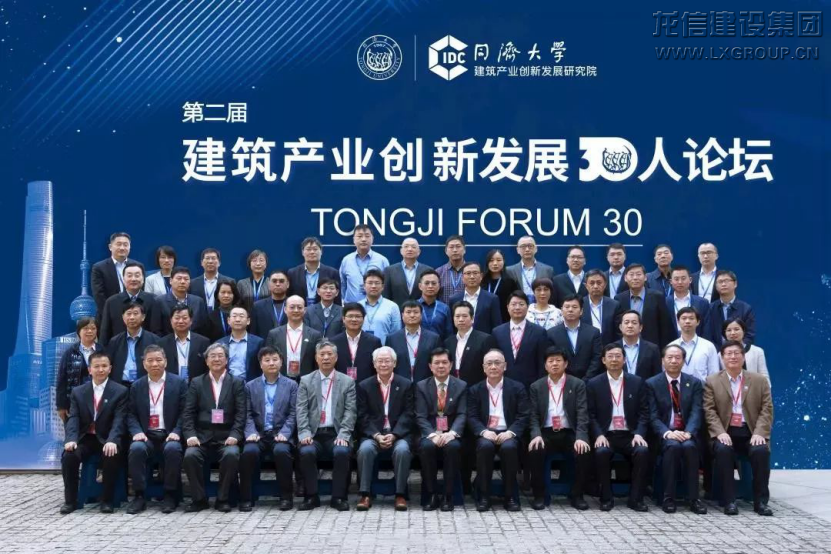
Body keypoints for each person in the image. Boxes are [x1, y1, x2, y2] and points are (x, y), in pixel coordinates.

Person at [704, 340, 774, 516]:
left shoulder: (759, 380)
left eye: (737, 353)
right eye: (728, 353)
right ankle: (729, 501)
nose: (733, 357)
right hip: (725, 432)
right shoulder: (712, 381)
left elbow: (767, 409)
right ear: (722, 358)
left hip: (750, 431)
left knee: (761, 451)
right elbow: (709, 410)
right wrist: (720, 432)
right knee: (723, 450)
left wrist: (759, 433)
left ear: (743, 357)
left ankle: (761, 502)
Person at [60, 352, 128, 514]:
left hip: (107, 437)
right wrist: (71, 439)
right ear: (90, 370)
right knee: (69, 456)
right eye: (96, 366)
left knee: (111, 454)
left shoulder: (120, 391)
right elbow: (73, 418)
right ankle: (70, 501)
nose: (100, 370)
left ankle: (107, 500)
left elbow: (119, 420)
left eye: (104, 366)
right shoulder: (78, 392)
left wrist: (113, 440)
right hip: (86, 438)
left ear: (110, 368)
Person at [182, 343, 246, 513]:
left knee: (231, 454)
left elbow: (241, 413)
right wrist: (190, 435)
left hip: (227, 437)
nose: (216, 359)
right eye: (212, 356)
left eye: (220, 356)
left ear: (227, 360)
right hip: (201, 437)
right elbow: (188, 413)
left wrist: (235, 435)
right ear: (206, 361)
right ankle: (199, 499)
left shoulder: (237, 383)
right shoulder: (196, 383)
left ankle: (222, 498)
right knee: (190, 455)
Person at [587, 344, 651, 512]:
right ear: (603, 360)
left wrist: (639, 433)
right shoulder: (594, 384)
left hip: (630, 434)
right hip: (606, 435)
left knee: (642, 451)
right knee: (601, 452)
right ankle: (606, 498)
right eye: (610, 356)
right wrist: (599, 435)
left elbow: (644, 412)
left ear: (624, 360)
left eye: (618, 356)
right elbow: (590, 414)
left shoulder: (637, 382)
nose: (614, 360)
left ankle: (636, 499)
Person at [125, 345, 188, 514]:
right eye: (150, 360)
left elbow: (185, 412)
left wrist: (176, 431)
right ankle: (139, 495)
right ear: (144, 364)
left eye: (159, 360)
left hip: (169, 434)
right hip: (146, 435)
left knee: (173, 449)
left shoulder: (179, 383)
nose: (155, 364)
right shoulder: (137, 386)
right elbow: (130, 414)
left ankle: (170, 495)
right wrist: (137, 432)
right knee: (136, 449)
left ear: (165, 362)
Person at [295, 340, 357, 511]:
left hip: (336, 433)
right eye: (322, 354)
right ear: (316, 358)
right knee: (306, 451)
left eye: (330, 354)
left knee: (342, 451)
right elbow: (301, 410)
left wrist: (344, 434)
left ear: (336, 358)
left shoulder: (347, 381)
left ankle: (338, 497)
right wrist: (304, 433)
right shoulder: (306, 381)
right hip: (313, 434)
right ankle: (311, 496)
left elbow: (350, 412)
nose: (326, 358)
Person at [645, 345, 708, 515]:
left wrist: (689, 432)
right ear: (662, 360)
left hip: (687, 433)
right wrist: (667, 433)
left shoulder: (694, 383)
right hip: (664, 434)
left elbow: (697, 411)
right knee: (672, 446)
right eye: (670, 357)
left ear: (683, 361)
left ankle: (694, 499)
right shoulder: (652, 384)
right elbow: (652, 416)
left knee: (689, 447)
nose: (674, 361)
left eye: (678, 357)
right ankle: (668, 498)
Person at [527, 347, 591, 511]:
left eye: (558, 360)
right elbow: (533, 415)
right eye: (550, 361)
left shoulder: (577, 384)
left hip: (569, 432)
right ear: (545, 365)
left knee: (583, 451)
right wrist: (536, 434)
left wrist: (581, 437)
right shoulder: (536, 386)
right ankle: (539, 495)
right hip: (546, 433)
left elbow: (582, 413)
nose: (554, 364)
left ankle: (577, 495)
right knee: (535, 449)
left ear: (566, 364)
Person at [467, 349, 529, 512]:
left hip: (508, 433)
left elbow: (523, 415)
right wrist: (483, 431)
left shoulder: (517, 388)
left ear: (505, 366)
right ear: (483, 367)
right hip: (486, 433)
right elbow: (471, 416)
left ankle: (510, 496)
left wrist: (511, 432)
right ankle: (484, 496)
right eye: (489, 363)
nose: (493, 367)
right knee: (485, 447)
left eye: (497, 363)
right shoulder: (475, 390)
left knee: (509, 448)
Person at [355, 347, 414, 511]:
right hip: (373, 434)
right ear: (374, 364)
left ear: (394, 363)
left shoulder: (406, 384)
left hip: (397, 434)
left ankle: (400, 494)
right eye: (380, 361)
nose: (383, 364)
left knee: (402, 450)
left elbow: (409, 414)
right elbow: (362, 415)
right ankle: (365, 494)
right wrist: (376, 435)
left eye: (387, 361)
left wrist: (394, 434)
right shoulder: (364, 386)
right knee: (365, 449)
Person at [239, 346, 298, 512]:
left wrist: (285, 433)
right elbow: (247, 413)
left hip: (280, 433)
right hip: (258, 433)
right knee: (249, 452)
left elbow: (293, 413)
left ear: (281, 362)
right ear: (260, 364)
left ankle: (286, 497)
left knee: (282, 451)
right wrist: (251, 432)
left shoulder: (291, 385)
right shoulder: (250, 386)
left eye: (275, 359)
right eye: (267, 360)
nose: (271, 363)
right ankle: (246, 497)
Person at [416, 348, 468, 511]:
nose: (441, 366)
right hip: (430, 433)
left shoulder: (461, 385)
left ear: (451, 365)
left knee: (452, 448)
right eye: (437, 363)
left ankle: (448, 496)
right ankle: (431, 494)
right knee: (426, 447)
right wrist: (432, 435)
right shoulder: (421, 386)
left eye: (444, 362)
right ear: (430, 366)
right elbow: (420, 416)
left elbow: (462, 414)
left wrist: (452, 433)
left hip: (451, 433)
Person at [492, 291, 548, 389]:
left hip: (531, 386)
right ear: (507, 307)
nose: (517, 308)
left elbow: (542, 363)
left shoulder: (539, 332)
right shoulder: (497, 332)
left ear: (527, 307)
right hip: (503, 385)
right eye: (513, 304)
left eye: (521, 304)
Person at [99, 261, 160, 345]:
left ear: (143, 279)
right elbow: (105, 333)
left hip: (147, 350)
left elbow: (157, 331)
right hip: (119, 349)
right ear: (123, 279)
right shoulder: (111, 302)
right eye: (129, 275)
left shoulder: (154, 300)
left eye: (137, 275)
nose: (133, 279)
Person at [615, 263, 674, 349]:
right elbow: (617, 327)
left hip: (652, 346)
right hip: (626, 346)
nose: (635, 278)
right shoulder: (619, 299)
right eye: (631, 275)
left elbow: (665, 326)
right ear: (625, 278)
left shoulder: (657, 297)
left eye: (638, 274)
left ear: (645, 277)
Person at [56, 317, 104, 423]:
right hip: (75, 402)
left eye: (93, 328)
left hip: (99, 401)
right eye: (86, 328)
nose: (90, 331)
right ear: (79, 332)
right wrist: (61, 406)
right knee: (75, 430)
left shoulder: (103, 351)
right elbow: (61, 380)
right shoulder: (69, 353)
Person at [546, 295, 602, 380]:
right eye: (567, 307)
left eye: (574, 307)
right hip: (562, 380)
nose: (570, 310)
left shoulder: (593, 332)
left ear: (581, 311)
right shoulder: (551, 333)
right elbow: (551, 358)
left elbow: (597, 358)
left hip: (589, 380)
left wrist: (586, 379)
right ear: (561, 311)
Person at [265, 295, 322, 380]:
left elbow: (318, 361)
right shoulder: (274, 334)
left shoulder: (315, 334)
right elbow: (268, 358)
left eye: (299, 307)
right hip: (280, 379)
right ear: (285, 309)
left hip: (307, 381)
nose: (296, 310)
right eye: (292, 307)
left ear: (305, 310)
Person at [385, 300, 442, 382]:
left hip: (426, 383)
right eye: (408, 312)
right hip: (400, 383)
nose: (412, 315)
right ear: (402, 315)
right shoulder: (392, 338)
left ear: (421, 315)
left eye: (416, 312)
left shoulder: (433, 338)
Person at [444, 301, 497, 385]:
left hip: (476, 387)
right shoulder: (448, 342)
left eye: (464, 316)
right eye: (457, 316)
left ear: (472, 319)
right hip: (454, 388)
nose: (461, 319)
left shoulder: (485, 339)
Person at [106, 302, 160, 386]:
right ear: (123, 317)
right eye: (128, 314)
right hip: (120, 386)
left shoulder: (154, 340)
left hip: (145, 385)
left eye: (135, 313)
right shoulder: (115, 341)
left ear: (143, 317)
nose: (132, 317)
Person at [157, 305, 210, 381]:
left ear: (191, 321)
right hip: (171, 384)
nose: (180, 321)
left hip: (196, 385)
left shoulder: (203, 342)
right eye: (177, 318)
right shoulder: (162, 343)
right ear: (171, 321)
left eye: (184, 318)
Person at [331, 303, 383, 382]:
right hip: (340, 384)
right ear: (343, 319)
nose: (354, 319)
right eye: (350, 316)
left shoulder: (374, 342)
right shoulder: (333, 342)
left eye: (358, 316)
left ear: (363, 319)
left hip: (366, 385)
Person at [339, 225, 390, 303]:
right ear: (354, 240)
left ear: (372, 239)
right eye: (359, 236)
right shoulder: (346, 260)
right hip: (351, 306)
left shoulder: (382, 260)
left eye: (367, 236)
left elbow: (387, 286)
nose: (363, 239)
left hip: (375, 306)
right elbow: (343, 284)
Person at [448, 262, 502, 334]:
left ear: (481, 276)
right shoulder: (454, 299)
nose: (472, 277)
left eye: (475, 273)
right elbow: (451, 326)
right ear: (462, 277)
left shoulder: (492, 299)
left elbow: (496, 326)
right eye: (468, 273)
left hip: (484, 340)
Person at [706, 270, 756, 349]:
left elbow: (749, 335)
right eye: (720, 282)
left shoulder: (745, 309)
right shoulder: (710, 308)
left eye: (726, 281)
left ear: (735, 284)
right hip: (716, 353)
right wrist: (720, 352)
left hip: (739, 352)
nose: (723, 284)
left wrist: (737, 350)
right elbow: (707, 335)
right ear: (716, 286)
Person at [154, 267, 209, 337]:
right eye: (179, 278)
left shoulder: (198, 302)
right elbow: (156, 329)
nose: (182, 282)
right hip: (168, 342)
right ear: (171, 281)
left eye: (186, 279)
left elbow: (204, 328)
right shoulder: (159, 301)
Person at [669, 307, 720, 383]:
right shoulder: (671, 347)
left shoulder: (708, 346)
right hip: (678, 388)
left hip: (702, 389)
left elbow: (714, 374)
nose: (687, 321)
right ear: (678, 322)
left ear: (698, 322)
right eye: (684, 318)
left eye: (691, 318)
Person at [91, 232, 134, 318]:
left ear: (130, 247)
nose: (122, 248)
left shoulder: (137, 266)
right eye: (119, 244)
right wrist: (110, 314)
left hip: (133, 315)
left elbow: (141, 291)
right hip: (109, 315)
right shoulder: (99, 267)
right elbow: (99, 295)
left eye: (125, 245)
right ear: (110, 247)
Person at [288, 237, 341, 306]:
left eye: (315, 249)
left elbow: (337, 298)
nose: (312, 252)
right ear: (302, 252)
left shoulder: (332, 273)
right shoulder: (293, 273)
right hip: (299, 310)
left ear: (321, 252)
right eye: (308, 249)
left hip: (324, 310)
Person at [216, 306, 264, 382]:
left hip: (250, 384)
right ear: (228, 321)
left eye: (241, 316)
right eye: (234, 316)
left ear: (248, 321)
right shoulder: (220, 343)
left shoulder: (258, 342)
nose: (237, 319)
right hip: (226, 384)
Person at [383, 238, 433, 307]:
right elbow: (386, 296)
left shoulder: (428, 270)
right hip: (397, 311)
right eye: (406, 246)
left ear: (419, 251)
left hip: (421, 311)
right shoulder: (389, 271)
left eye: (413, 247)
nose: (410, 249)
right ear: (401, 251)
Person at [612, 310, 662, 379]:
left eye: (634, 323)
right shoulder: (612, 348)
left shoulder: (652, 349)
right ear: (620, 327)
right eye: (626, 322)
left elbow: (657, 376)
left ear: (640, 327)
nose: (630, 326)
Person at [505, 236, 555, 304]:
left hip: (541, 307)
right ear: (517, 250)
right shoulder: (509, 271)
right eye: (523, 246)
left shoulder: (548, 270)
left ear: (536, 249)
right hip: (519, 308)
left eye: (530, 246)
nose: (527, 249)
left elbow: (552, 294)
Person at [359, 269, 402, 344]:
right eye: (370, 283)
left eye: (377, 283)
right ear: (364, 286)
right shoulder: (358, 306)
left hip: (384, 349)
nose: (373, 286)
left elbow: (396, 333)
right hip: (361, 348)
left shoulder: (392, 306)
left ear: (382, 286)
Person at [664, 265, 709, 339]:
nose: (680, 282)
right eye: (676, 279)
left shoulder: (702, 303)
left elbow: (707, 328)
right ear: (671, 282)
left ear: (690, 280)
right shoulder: (664, 302)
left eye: (683, 278)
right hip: (671, 343)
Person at [581, 270, 622, 346]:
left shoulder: (614, 305)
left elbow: (618, 332)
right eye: (592, 283)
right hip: (585, 346)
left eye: (599, 283)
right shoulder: (580, 304)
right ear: (586, 286)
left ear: (605, 285)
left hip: (609, 347)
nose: (595, 286)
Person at [722, 319, 770, 383]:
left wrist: (765, 388)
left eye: (736, 329)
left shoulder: (757, 351)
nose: (732, 333)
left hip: (754, 388)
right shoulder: (721, 354)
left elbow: (764, 376)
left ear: (743, 331)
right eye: (729, 330)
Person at [482, 248, 521, 323]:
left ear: (504, 262)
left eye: (499, 260)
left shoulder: (510, 282)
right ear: (487, 263)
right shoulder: (482, 282)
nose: (495, 263)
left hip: (505, 320)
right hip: (484, 320)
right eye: (491, 260)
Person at [250, 270, 291, 338]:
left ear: (288, 284)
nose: (277, 284)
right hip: (265, 343)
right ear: (269, 285)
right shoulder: (258, 306)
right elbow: (253, 333)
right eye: (274, 281)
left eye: (281, 281)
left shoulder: (295, 305)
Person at [417, 270, 453, 339]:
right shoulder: (413, 307)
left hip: (439, 345)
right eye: (427, 283)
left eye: (433, 283)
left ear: (439, 286)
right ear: (420, 286)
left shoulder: (445, 308)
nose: (430, 286)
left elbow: (449, 334)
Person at [435, 235, 467, 304]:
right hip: (444, 310)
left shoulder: (472, 272)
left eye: (458, 246)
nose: (455, 250)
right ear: (446, 251)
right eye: (451, 247)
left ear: (464, 250)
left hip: (467, 310)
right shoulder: (438, 272)